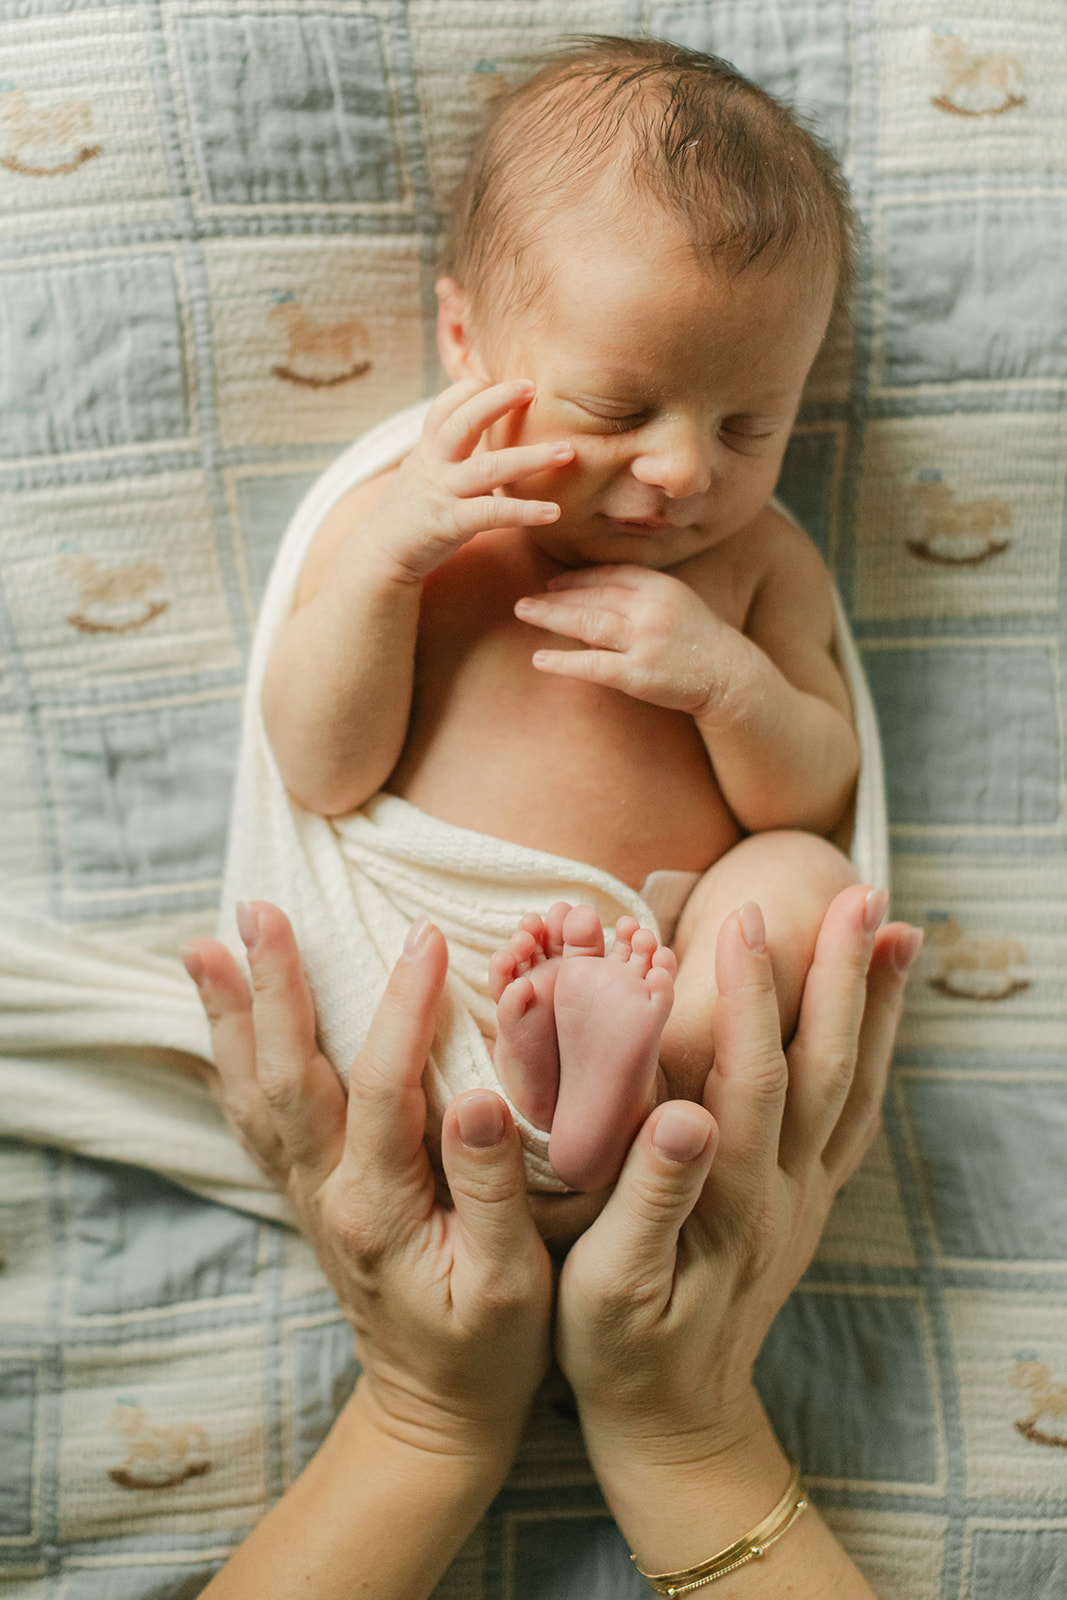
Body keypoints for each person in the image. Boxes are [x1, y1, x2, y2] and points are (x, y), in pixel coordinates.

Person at [222, 35, 876, 1200]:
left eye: (747, 428)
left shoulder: (755, 567)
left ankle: (641, 1067)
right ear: (464, 340)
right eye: (619, 405)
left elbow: (818, 795)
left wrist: (726, 682)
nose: (681, 469)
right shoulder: (410, 531)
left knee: (800, 888)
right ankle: (543, 1075)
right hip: (448, 962)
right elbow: (320, 770)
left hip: (657, 969)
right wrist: (384, 568)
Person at [179, 889, 922, 1597]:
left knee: (763, 911)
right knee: (788, 886)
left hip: (415, 1160)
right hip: (617, 1110)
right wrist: (685, 1429)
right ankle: (633, 1088)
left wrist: (424, 1413)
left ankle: (565, 1103)